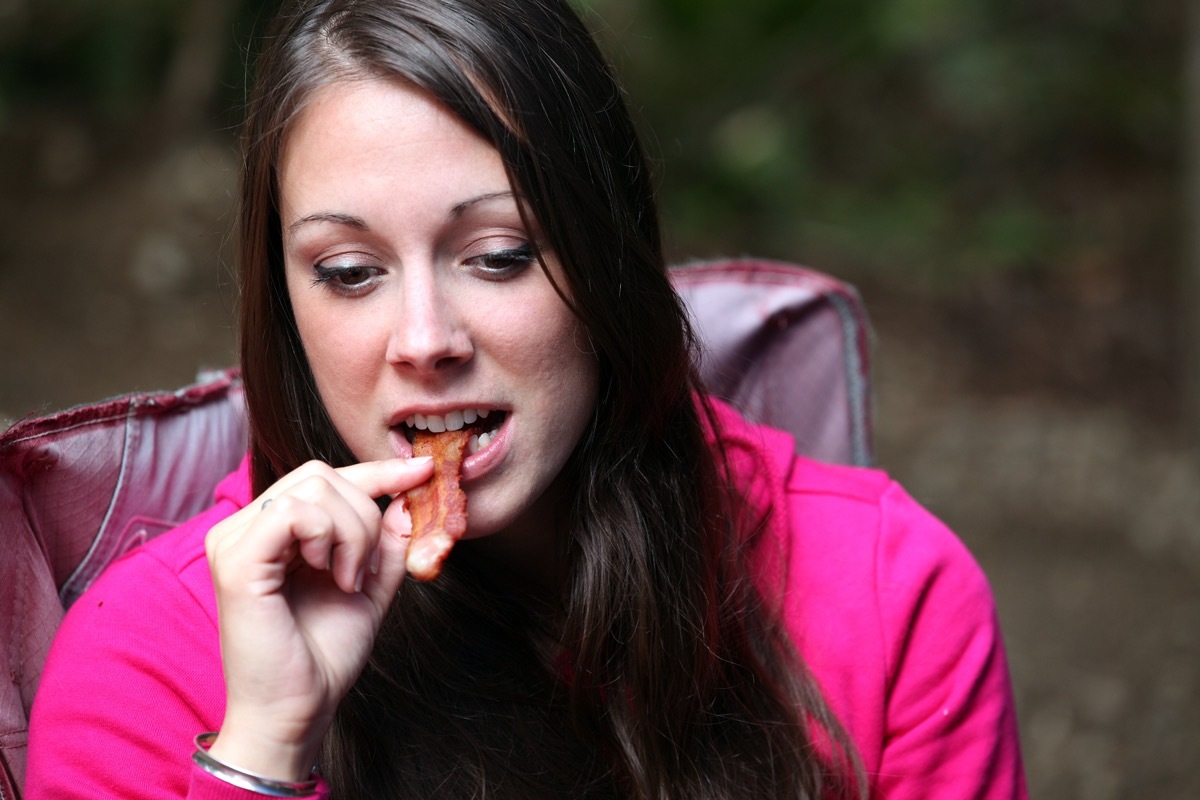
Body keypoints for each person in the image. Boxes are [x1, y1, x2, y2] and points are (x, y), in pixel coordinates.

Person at [25, 0, 1028, 797]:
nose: (424, 339)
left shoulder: (891, 593)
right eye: (347, 269)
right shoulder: (142, 662)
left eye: (499, 255)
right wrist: (264, 751)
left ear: (607, 264)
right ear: (284, 307)